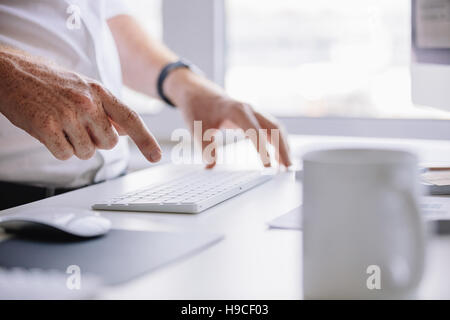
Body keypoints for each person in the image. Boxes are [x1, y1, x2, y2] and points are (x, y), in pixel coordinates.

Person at [0, 0, 291, 210]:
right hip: (11, 201)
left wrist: (187, 86)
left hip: (104, 195)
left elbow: (102, 18)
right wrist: (7, 72)